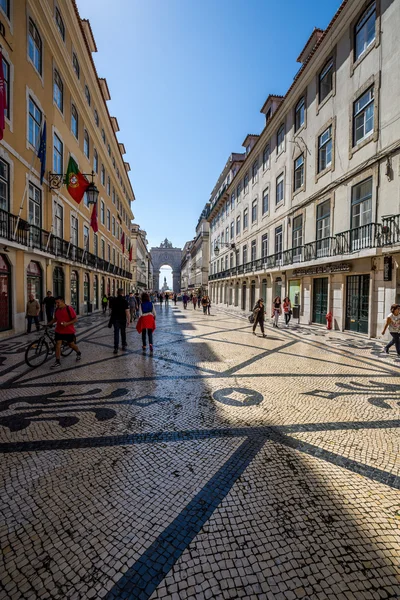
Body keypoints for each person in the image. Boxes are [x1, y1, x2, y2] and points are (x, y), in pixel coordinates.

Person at [48, 296, 81, 368]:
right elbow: (55, 319)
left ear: (62, 301)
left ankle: (78, 352)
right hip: (59, 330)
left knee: (71, 345)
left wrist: (67, 323)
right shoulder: (57, 310)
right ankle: (57, 361)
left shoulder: (69, 309)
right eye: (56, 303)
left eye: (58, 302)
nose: (57, 304)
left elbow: (75, 319)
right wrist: (49, 323)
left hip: (68, 331)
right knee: (58, 345)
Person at [110, 288, 130, 354]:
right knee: (123, 332)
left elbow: (112, 311)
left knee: (116, 333)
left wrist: (110, 321)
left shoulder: (114, 300)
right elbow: (127, 311)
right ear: (122, 293)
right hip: (122, 319)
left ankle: (116, 348)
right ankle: (123, 345)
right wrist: (129, 320)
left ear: (117, 292)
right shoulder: (125, 301)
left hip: (115, 319)